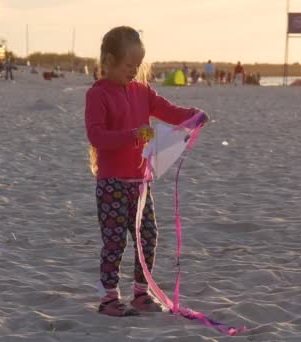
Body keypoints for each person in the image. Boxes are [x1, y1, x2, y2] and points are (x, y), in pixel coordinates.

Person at [84, 26, 208, 317]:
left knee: (148, 236)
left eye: (138, 66)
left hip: (140, 182)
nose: (134, 71)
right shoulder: (98, 94)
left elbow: (168, 110)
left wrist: (194, 115)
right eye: (129, 65)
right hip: (112, 181)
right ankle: (109, 297)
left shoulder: (142, 91)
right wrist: (133, 135)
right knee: (115, 240)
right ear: (109, 60)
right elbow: (97, 136)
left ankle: (141, 292)